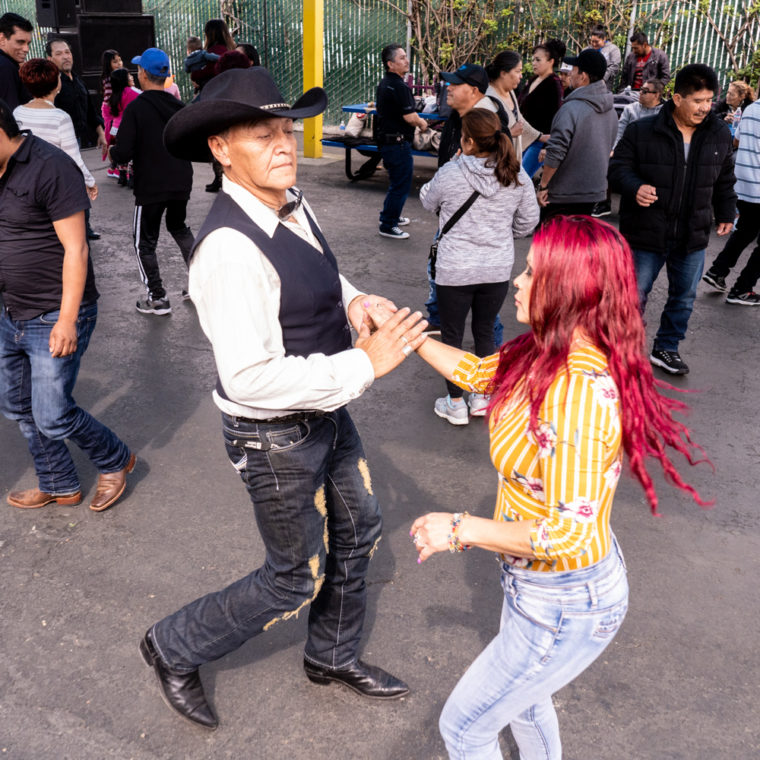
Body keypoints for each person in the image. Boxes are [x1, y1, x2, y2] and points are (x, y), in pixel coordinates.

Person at [138, 66, 428, 730]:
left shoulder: (291, 201)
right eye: (261, 133)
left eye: (286, 129)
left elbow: (323, 274)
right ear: (220, 149)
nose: (283, 144)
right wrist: (366, 362)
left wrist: (359, 301)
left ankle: (329, 655)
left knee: (359, 532)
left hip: (326, 410)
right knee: (292, 576)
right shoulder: (227, 251)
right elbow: (247, 379)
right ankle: (173, 645)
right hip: (273, 438)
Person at [387, 215, 710, 759]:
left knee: (465, 729)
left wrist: (460, 529)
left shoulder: (578, 393)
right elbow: (476, 373)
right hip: (541, 593)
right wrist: (407, 336)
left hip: (565, 601)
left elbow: (569, 536)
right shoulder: (545, 352)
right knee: (523, 704)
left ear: (568, 291)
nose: (517, 279)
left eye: (533, 273)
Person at [0, 101, 135, 513]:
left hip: (52, 313)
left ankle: (115, 459)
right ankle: (58, 482)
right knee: (19, 406)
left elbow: (76, 249)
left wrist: (66, 319)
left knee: (53, 413)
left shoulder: (50, 166)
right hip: (9, 310)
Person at [609, 64, 736, 375]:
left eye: (710, 100)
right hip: (645, 231)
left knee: (684, 296)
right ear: (677, 98)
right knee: (633, 295)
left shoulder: (719, 133)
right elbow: (617, 169)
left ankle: (666, 347)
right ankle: (623, 350)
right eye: (698, 101)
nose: (706, 108)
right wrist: (635, 187)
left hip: (692, 233)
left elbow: (723, 178)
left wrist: (726, 211)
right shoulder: (642, 130)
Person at [420, 109, 539, 425]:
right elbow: (529, 220)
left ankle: (456, 402)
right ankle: (483, 397)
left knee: (453, 335)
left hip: (454, 269)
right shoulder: (516, 175)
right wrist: (501, 235)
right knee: (485, 330)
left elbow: (428, 201)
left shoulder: (451, 172)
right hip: (496, 269)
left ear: (468, 141)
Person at [109, 48, 194, 316]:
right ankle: (199, 285)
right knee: (179, 227)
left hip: (151, 187)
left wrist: (111, 152)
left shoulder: (136, 108)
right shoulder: (179, 107)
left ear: (143, 73)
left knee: (143, 242)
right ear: (166, 74)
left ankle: (157, 298)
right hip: (181, 181)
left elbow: (122, 152)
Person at [537, 49, 617, 220]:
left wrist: (543, 185)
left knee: (552, 243)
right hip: (593, 192)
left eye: (573, 70)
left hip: (564, 193)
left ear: (583, 76)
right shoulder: (610, 109)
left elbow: (557, 150)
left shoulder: (571, 108)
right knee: (576, 244)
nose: (570, 74)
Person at [702, 95, 760, 305]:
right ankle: (742, 289)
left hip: (744, 184)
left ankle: (718, 271)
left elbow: (737, 140)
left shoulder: (752, 109)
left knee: (745, 231)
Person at [14, 58, 97, 203]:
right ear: (57, 85)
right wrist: (90, 182)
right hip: (54, 183)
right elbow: (74, 158)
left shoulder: (18, 112)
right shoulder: (60, 118)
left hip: (26, 182)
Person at [47, 38, 105, 241]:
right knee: (73, 185)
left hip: (76, 141)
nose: (65, 56)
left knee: (77, 183)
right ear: (50, 58)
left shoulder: (76, 79)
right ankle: (73, 230)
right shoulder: (52, 83)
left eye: (67, 52)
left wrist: (100, 131)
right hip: (57, 144)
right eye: (59, 53)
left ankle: (83, 227)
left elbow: (89, 108)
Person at [375, 43, 429, 240]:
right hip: (396, 144)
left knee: (397, 183)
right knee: (400, 185)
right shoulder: (398, 85)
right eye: (402, 58)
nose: (406, 61)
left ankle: (392, 217)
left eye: (406, 57)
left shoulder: (385, 83)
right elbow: (410, 117)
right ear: (390, 64)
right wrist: (423, 124)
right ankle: (388, 224)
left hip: (388, 142)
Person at [486, 50, 544, 166]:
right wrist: (510, 133)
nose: (521, 75)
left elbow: (518, 119)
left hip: (510, 161)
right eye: (518, 71)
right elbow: (483, 137)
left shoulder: (510, 92)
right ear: (503, 73)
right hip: (493, 166)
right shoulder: (488, 99)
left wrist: (540, 136)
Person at [518, 39, 565, 177]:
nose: (534, 63)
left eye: (538, 60)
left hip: (539, 142)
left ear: (551, 61)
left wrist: (546, 147)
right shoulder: (533, 79)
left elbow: (556, 117)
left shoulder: (554, 84)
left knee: (522, 179)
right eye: (533, 59)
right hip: (524, 138)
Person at [102, 68, 141, 186]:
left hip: (115, 128)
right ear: (123, 79)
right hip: (129, 127)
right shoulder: (132, 91)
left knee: (121, 151)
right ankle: (132, 178)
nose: (131, 77)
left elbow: (107, 111)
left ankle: (122, 177)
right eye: (129, 75)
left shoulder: (114, 95)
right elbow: (143, 97)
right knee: (132, 152)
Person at [613, 78, 664, 149]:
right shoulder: (630, 109)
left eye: (645, 91)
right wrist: (614, 150)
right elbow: (620, 132)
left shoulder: (664, 113)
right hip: (629, 151)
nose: (640, 92)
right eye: (641, 89)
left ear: (656, 95)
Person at [190, 19, 235, 92]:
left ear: (208, 35)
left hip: (211, 93)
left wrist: (194, 76)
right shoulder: (233, 52)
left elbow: (198, 74)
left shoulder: (208, 53)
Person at [0, 12, 32, 110]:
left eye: (28, 43)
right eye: (20, 42)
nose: (26, 49)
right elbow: (10, 114)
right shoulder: (5, 67)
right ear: (2, 39)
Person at [588, 24, 621, 91]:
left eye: (596, 41)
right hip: (587, 86)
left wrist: (602, 79)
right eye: (592, 41)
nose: (594, 44)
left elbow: (614, 67)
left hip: (604, 88)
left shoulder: (613, 49)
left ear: (604, 39)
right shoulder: (587, 50)